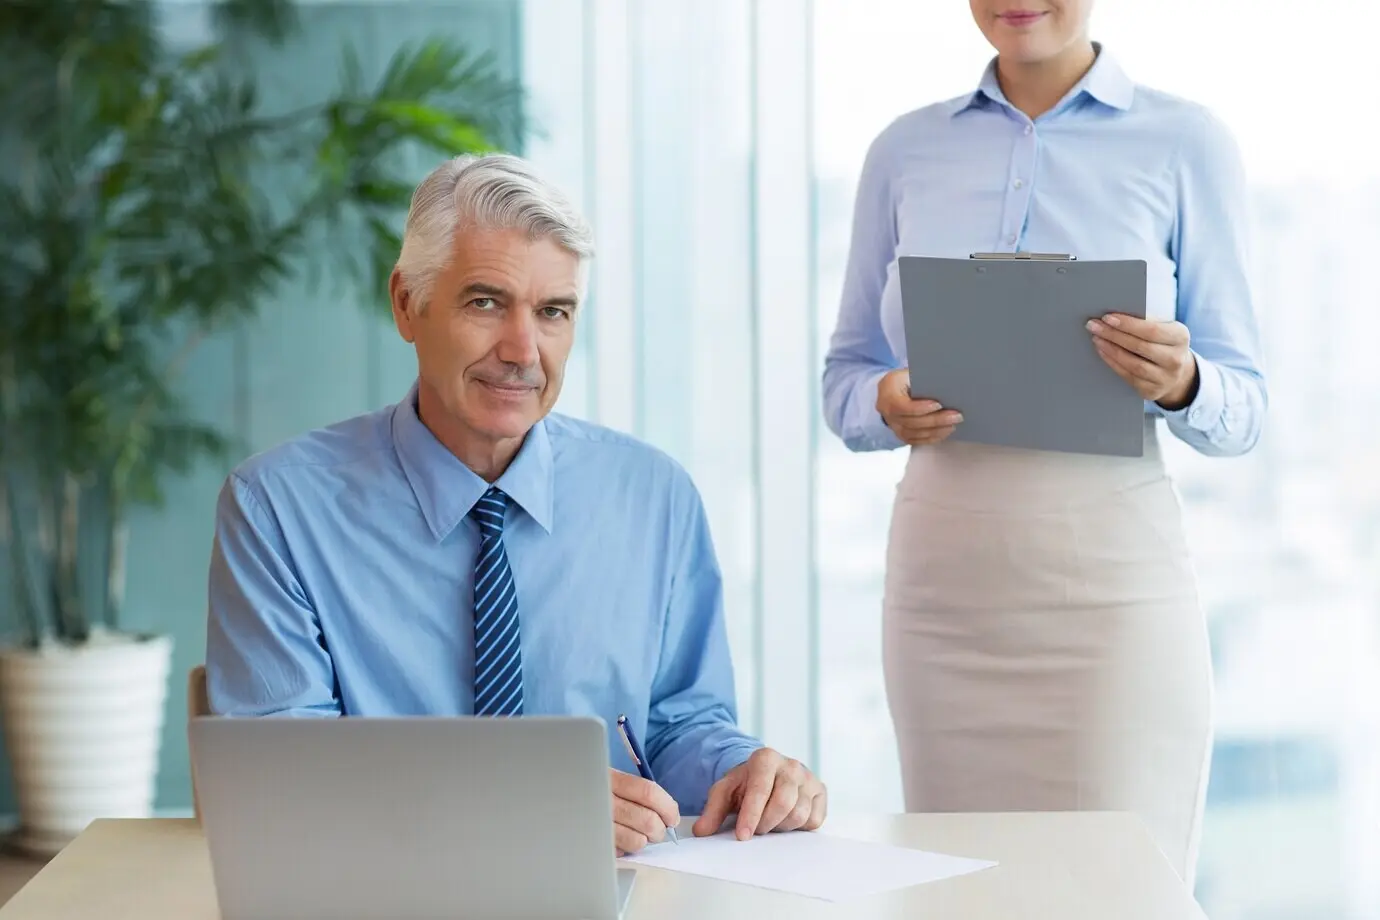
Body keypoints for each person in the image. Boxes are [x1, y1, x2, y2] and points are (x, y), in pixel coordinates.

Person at [206, 153, 827, 856]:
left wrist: (741, 773)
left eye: (553, 312)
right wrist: (514, 807)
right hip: (379, 888)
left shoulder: (654, 497)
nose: (523, 350)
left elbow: (676, 725)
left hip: (615, 887)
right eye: (485, 303)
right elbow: (283, 773)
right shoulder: (278, 509)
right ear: (407, 303)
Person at [821, 0, 1266, 889]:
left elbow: (1245, 405)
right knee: (959, 893)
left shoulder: (1186, 142)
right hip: (944, 601)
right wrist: (883, 402)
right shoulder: (903, 150)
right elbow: (845, 380)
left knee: (1119, 891)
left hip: (1115, 599)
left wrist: (1180, 381)